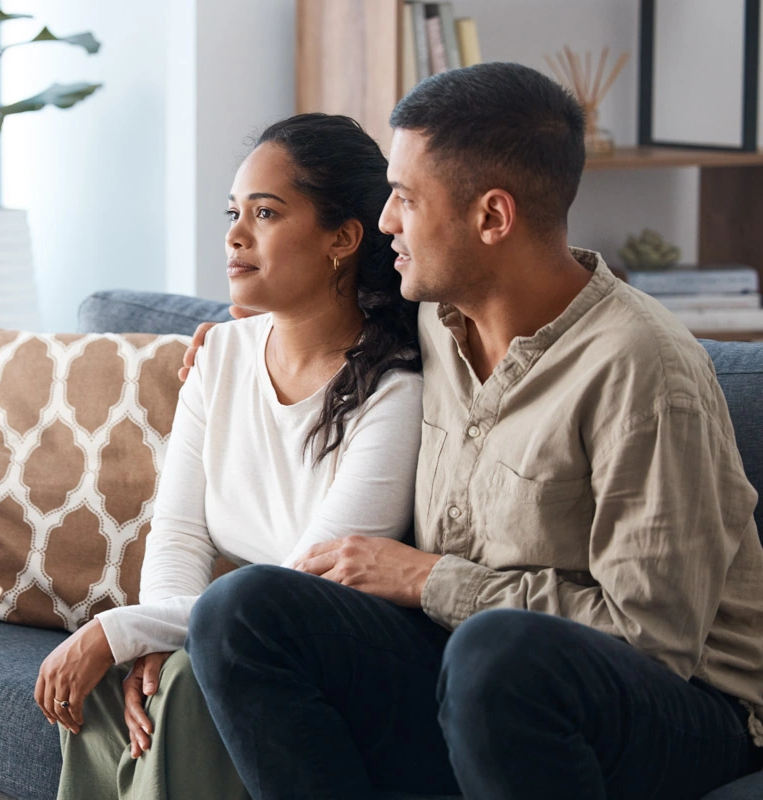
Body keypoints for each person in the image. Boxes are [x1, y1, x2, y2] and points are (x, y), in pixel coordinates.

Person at [183, 63, 763, 799]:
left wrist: (430, 578)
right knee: (243, 611)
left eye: (405, 199)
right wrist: (229, 338)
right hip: (470, 672)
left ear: (492, 218)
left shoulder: (643, 370)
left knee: (497, 654)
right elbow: (311, 288)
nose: (387, 221)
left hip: (683, 707)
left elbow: (654, 639)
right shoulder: (431, 311)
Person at [34, 113, 424, 800]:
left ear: (343, 238)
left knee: (181, 679)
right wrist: (143, 643)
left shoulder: (396, 390)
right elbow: (180, 532)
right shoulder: (218, 356)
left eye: (266, 213)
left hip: (317, 654)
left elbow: (299, 589)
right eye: (234, 212)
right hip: (226, 627)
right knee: (117, 683)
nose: (235, 234)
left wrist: (119, 629)